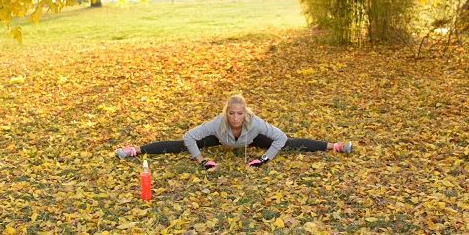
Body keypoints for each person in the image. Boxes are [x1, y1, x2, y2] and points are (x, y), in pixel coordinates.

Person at [116, 94, 352, 169]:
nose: (236, 118)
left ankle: (335, 146)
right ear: (226, 113)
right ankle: (134, 150)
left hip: (251, 140)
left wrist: (264, 158)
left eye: (240, 114)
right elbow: (189, 137)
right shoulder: (218, 124)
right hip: (222, 140)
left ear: (245, 113)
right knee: (181, 144)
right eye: (232, 113)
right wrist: (201, 160)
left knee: (288, 143)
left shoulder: (255, 122)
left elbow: (279, 137)